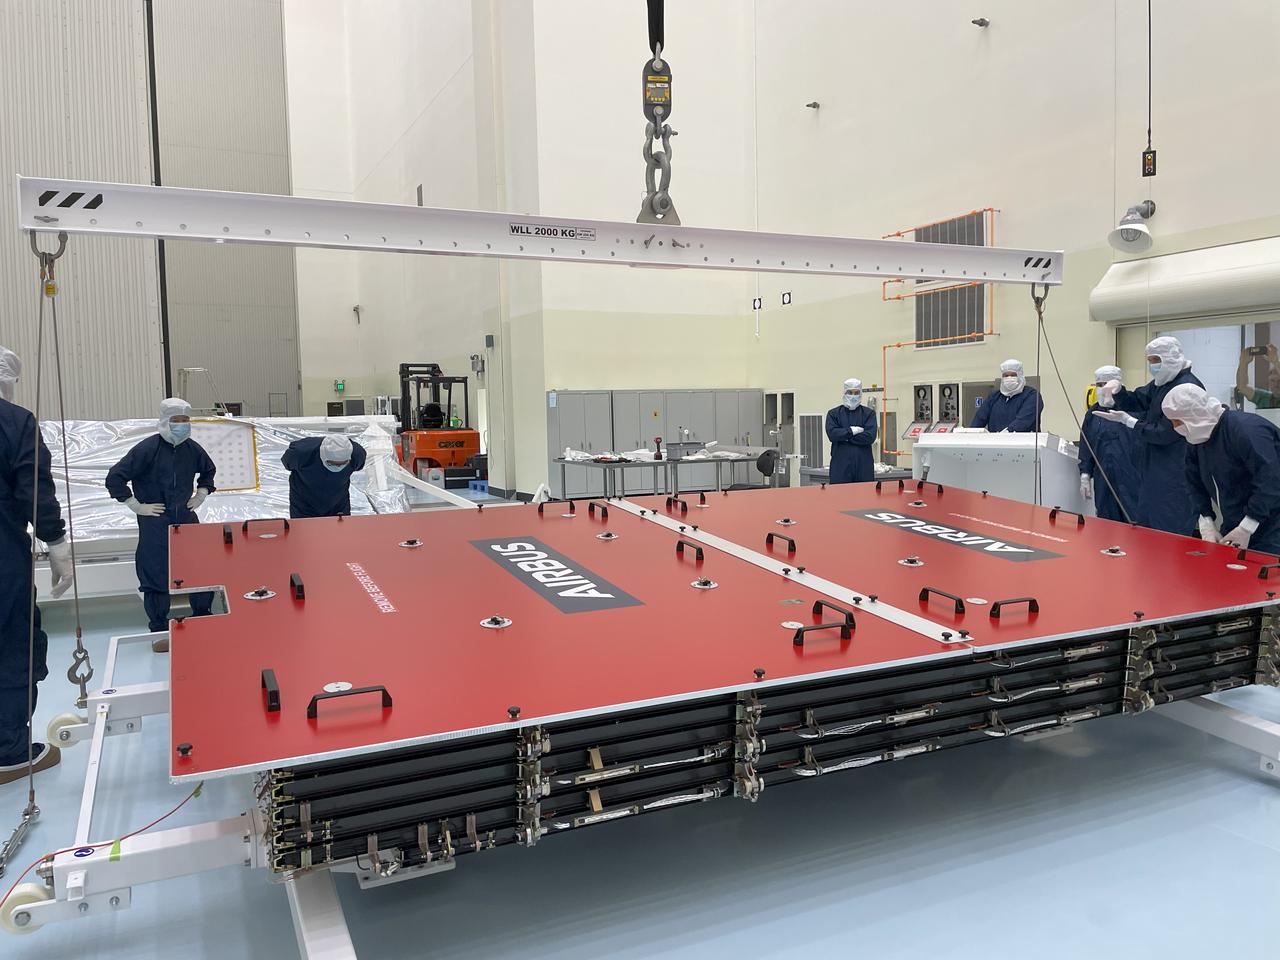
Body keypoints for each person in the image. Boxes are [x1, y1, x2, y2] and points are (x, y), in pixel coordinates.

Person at [1, 346, 75, 784]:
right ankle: (10, 752)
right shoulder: (14, 422)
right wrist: (56, 539)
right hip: (4, 557)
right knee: (13, 644)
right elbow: (33, 490)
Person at [106, 398, 216, 650]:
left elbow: (208, 470)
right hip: (155, 519)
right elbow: (115, 477)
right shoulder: (147, 449)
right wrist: (136, 505)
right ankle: (158, 629)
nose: (182, 426)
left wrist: (201, 493)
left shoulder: (192, 449)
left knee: (200, 566)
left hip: (186, 518)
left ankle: (203, 617)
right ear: (165, 421)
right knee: (156, 572)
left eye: (185, 421)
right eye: (176, 421)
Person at [1093, 335, 1202, 536]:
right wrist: (1119, 391)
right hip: (1153, 472)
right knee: (1147, 532)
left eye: (1155, 360)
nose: (1152, 366)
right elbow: (1138, 400)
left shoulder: (1186, 388)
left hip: (1176, 474)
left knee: (1169, 536)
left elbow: (1166, 433)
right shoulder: (1162, 383)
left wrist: (1129, 422)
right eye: (1149, 361)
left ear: (1171, 357)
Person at [1162, 383, 1280, 554]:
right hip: (1237, 522)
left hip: (1273, 526)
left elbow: (1271, 480)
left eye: (1177, 421)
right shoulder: (1198, 439)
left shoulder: (1246, 431)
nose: (1175, 428)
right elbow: (1193, 482)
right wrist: (1206, 520)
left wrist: (1248, 526)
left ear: (1194, 414)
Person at [1079, 365, 1141, 523]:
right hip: (1104, 480)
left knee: (1136, 522)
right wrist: (1085, 475)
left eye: (1107, 384)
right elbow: (1086, 445)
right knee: (1107, 523)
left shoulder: (1134, 408)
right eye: (1099, 385)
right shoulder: (1093, 414)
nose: (1103, 388)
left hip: (1132, 477)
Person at [282, 434, 367, 518]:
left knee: (339, 530)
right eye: (332, 463)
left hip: (337, 504)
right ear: (322, 455)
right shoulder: (300, 453)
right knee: (303, 530)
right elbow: (287, 464)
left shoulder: (357, 454)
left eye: (342, 463)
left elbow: (358, 465)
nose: (337, 467)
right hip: (304, 504)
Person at [965, 359, 1043, 432]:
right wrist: (971, 433)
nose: (1009, 378)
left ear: (1020, 376)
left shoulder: (1032, 396)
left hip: (1024, 444)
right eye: (1006, 375)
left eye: (1013, 375)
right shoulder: (994, 397)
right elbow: (979, 419)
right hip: (995, 444)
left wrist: (1006, 433)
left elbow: (1023, 422)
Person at [825, 378, 878, 483]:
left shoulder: (869, 414)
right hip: (840, 468)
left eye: (856, 393)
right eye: (850, 392)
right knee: (840, 497)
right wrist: (852, 431)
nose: (853, 396)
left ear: (860, 393)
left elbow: (870, 437)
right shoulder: (833, 414)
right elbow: (832, 434)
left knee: (865, 497)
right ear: (844, 393)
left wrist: (844, 437)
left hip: (863, 468)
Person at [1235, 344, 1280, 409]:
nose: (1276, 384)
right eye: (1272, 380)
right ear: (1268, 382)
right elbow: (1242, 387)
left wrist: (1276, 362)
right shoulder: (1264, 398)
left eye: (1279, 381)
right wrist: (1243, 362)